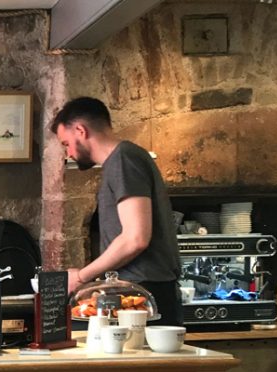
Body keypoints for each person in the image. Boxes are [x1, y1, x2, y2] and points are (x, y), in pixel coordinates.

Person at [51, 97, 182, 326]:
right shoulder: (120, 161)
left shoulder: (124, 159)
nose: (68, 153)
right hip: (140, 291)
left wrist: (81, 277)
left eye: (66, 144)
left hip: (144, 294)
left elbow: (136, 238)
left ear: (81, 130)